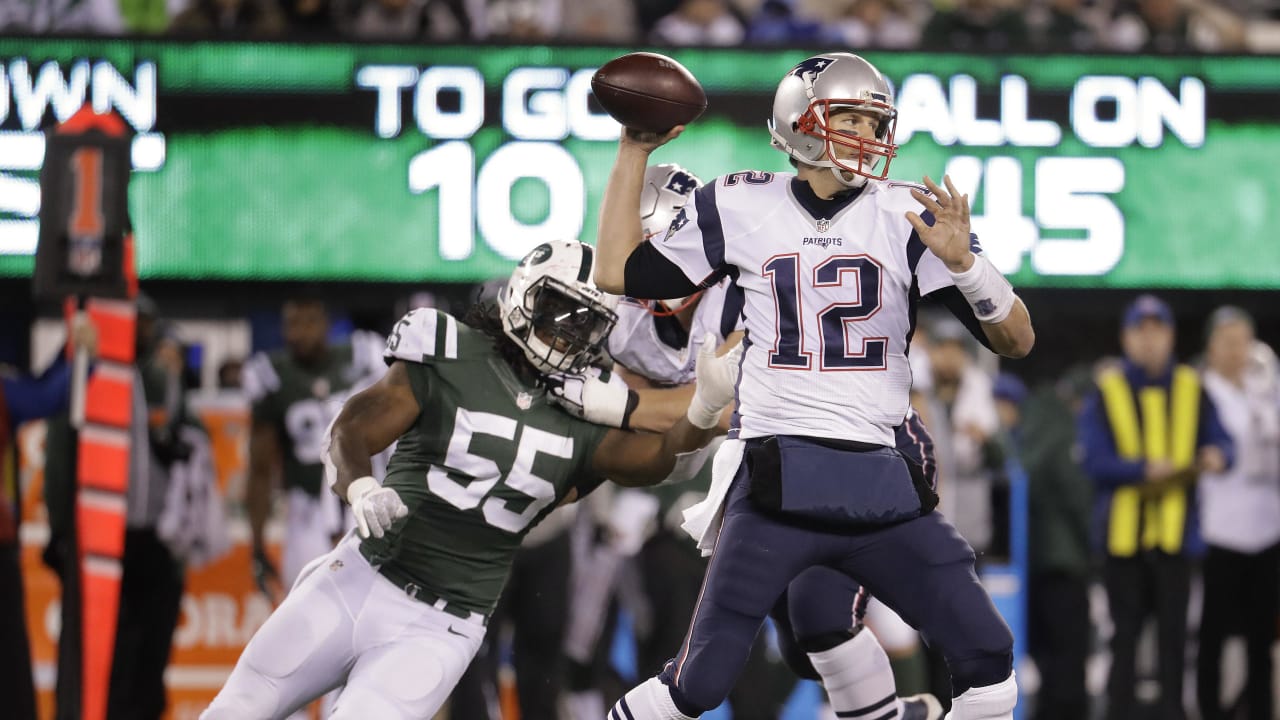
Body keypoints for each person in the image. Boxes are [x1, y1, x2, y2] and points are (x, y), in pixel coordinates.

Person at [593, 51, 1035, 720]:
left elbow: (1018, 340)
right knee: (701, 682)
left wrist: (968, 266)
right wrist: (633, 147)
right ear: (799, 124)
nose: (868, 136)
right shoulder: (740, 203)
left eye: (874, 121)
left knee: (989, 663)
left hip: (879, 479)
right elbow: (620, 272)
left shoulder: (907, 216)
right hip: (777, 476)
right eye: (849, 118)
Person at [200, 240, 738, 720]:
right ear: (522, 294)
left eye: (583, 323)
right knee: (237, 709)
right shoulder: (450, 350)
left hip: (441, 626)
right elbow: (354, 426)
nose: (565, 332)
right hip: (357, 577)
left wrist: (702, 409)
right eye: (557, 310)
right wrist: (360, 485)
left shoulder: (587, 408)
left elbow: (657, 459)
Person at [558, 163, 943, 719]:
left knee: (813, 621)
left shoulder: (749, 286)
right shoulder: (614, 309)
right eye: (649, 250)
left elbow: (735, 406)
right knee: (657, 617)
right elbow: (649, 415)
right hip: (678, 477)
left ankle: (882, 711)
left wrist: (630, 404)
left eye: (673, 249)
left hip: (777, 457)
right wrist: (643, 408)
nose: (664, 268)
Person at [1077, 293, 1232, 720]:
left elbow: (1222, 440)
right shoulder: (1106, 390)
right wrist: (1143, 470)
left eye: (1157, 331)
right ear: (1126, 338)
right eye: (1139, 332)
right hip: (1122, 541)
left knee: (1173, 643)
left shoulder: (1191, 386)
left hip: (1176, 539)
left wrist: (1219, 454)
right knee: (1123, 641)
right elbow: (1092, 458)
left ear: (1170, 336)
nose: (1149, 341)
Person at [240, 297, 384, 602]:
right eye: (291, 324)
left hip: (362, 502)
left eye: (307, 322)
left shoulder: (362, 357)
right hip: (308, 513)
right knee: (308, 605)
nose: (298, 334)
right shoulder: (273, 376)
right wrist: (257, 543)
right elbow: (261, 469)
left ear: (326, 324)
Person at [1195, 306, 1280, 720]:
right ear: (1211, 346)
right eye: (1227, 342)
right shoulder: (1197, 390)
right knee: (1211, 637)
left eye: (1243, 342)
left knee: (1262, 641)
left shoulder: (1266, 388)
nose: (1236, 351)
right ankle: (1210, 712)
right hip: (1217, 529)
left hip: (1266, 526)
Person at [1021, 366, 1093, 720]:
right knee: (1068, 655)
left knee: (1048, 656)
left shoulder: (1036, 420)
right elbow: (1078, 498)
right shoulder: (1067, 430)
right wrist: (1097, 550)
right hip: (1064, 559)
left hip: (1034, 557)